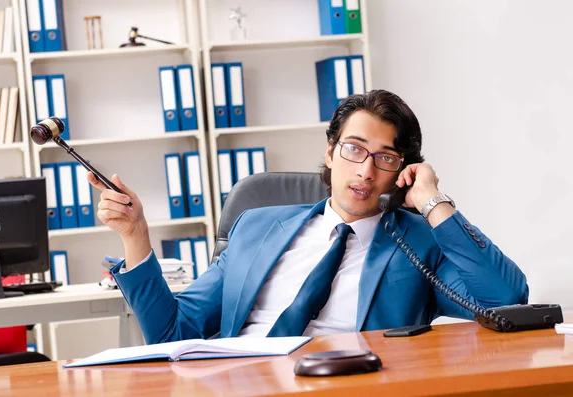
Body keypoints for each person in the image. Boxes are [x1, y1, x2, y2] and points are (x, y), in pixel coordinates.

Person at [87, 89, 529, 344]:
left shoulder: (419, 241)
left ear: (403, 170)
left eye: (386, 157)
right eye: (354, 149)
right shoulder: (257, 227)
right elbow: (172, 334)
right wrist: (136, 235)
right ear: (330, 151)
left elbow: (505, 300)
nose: (365, 170)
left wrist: (433, 200)